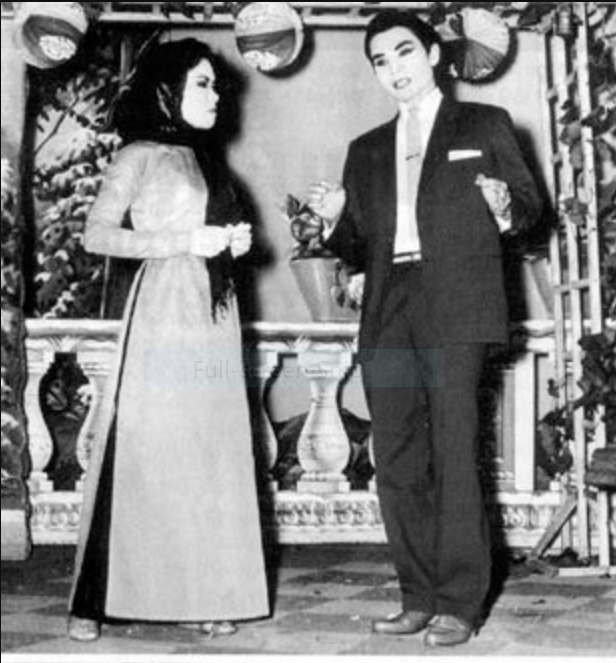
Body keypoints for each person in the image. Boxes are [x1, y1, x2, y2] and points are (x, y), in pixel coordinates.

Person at [308, 11, 541, 647]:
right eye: (380, 61)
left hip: (458, 306)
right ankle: (417, 595)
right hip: (390, 308)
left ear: (434, 54)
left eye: (404, 52)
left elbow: (531, 211)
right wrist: (336, 219)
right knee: (397, 458)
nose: (394, 70)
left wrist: (505, 207)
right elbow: (356, 245)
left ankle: (460, 603)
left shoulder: (485, 125)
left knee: (455, 451)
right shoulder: (365, 149)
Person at [67, 38, 269, 642]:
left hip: (215, 316)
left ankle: (195, 594)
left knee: (207, 457)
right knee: (145, 452)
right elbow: (97, 235)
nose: (216, 95)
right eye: (202, 83)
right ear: (166, 90)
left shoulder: (208, 158)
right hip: (163, 312)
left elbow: (211, 233)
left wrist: (232, 245)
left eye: (216, 84)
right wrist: (181, 242)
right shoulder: (138, 154)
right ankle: (91, 604)